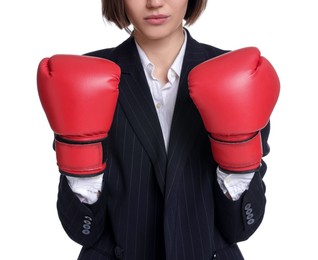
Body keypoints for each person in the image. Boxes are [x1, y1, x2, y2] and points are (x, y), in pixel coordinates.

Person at [37, 0, 280, 259]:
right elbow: (83, 232)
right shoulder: (83, 76)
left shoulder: (237, 74)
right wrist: (82, 171)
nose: (154, 3)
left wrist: (237, 167)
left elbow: (241, 228)